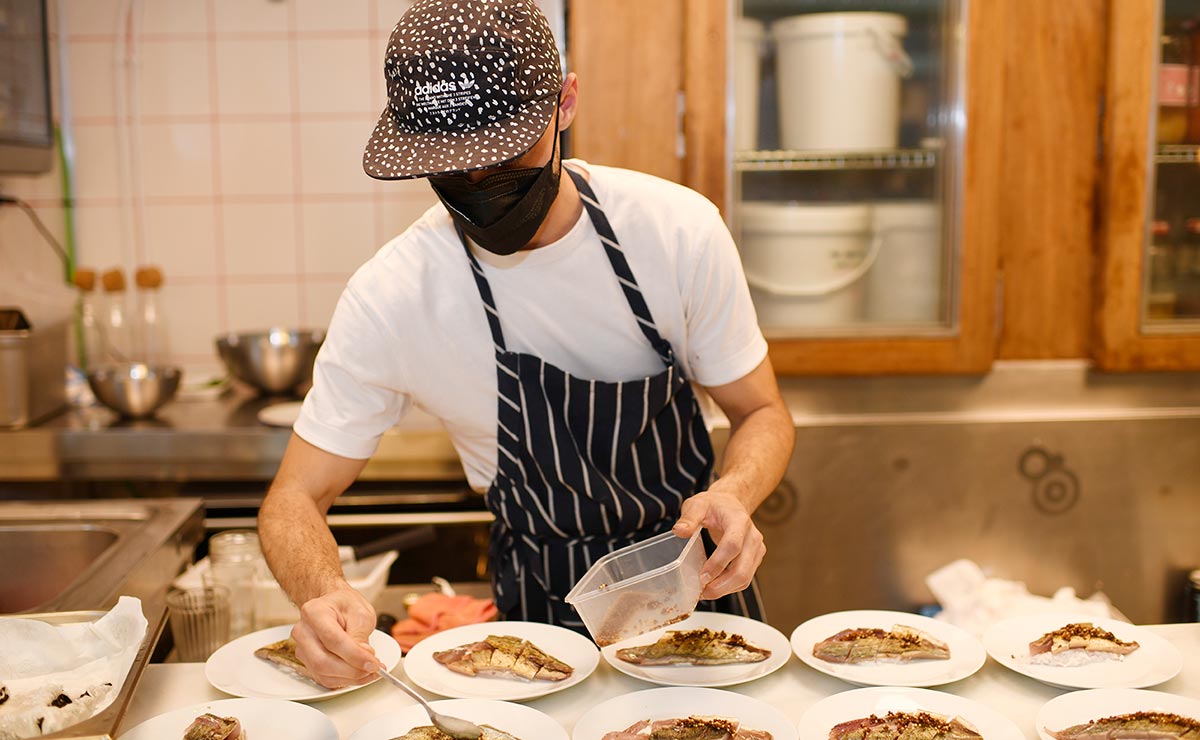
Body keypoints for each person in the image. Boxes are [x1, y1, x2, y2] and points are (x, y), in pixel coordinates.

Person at [258, 0, 795, 689]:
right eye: (454, 167)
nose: (481, 185)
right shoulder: (393, 295)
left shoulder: (676, 232)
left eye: (503, 156)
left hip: (699, 601)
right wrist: (320, 591)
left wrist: (736, 492)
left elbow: (763, 413)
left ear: (565, 103)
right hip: (534, 641)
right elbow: (291, 499)